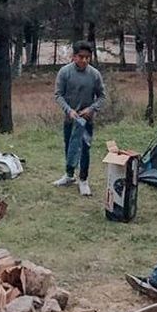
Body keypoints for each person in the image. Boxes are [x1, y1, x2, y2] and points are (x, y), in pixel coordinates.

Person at [52, 40, 106, 196]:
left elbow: (102, 96)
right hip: (70, 119)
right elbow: (58, 95)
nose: (84, 60)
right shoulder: (65, 72)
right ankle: (69, 175)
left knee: (85, 149)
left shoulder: (94, 74)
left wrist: (91, 109)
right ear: (74, 56)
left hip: (86, 120)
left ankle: (83, 180)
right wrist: (68, 111)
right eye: (81, 57)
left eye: (87, 57)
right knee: (69, 146)